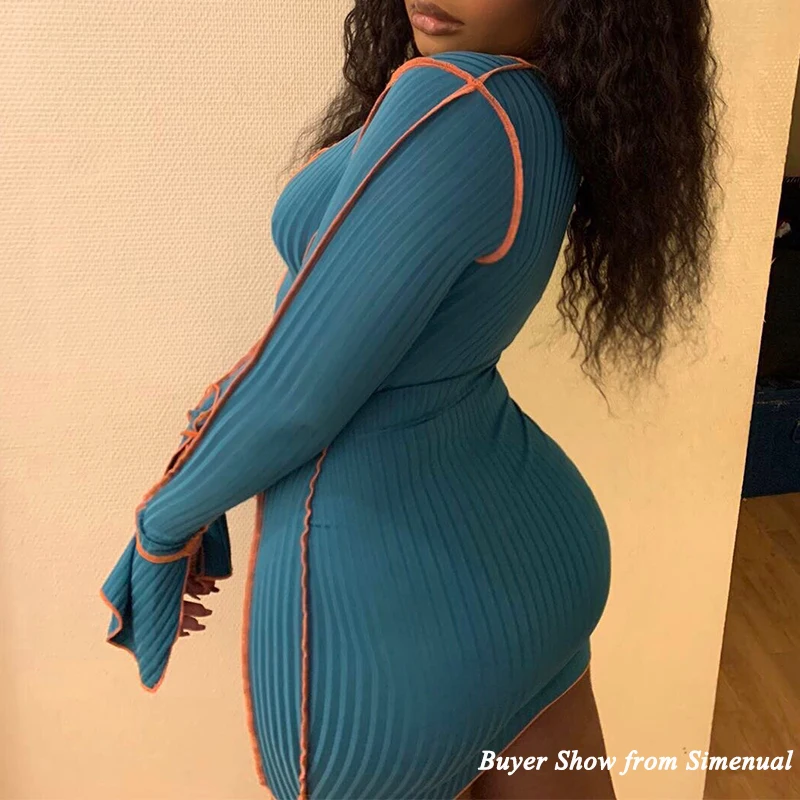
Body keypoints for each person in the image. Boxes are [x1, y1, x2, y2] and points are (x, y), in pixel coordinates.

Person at [100, 1, 722, 798]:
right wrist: (205, 449)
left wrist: (164, 525)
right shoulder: (540, 106)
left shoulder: (461, 104)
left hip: (390, 623)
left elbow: (299, 390)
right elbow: (331, 347)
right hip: (530, 561)